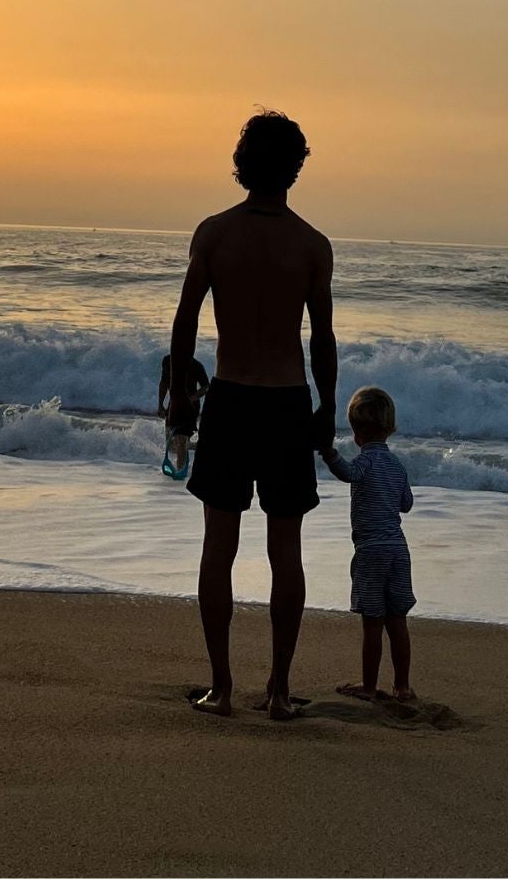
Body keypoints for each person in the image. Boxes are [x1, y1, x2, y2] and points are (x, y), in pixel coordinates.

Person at [168, 109, 336, 720]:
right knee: (284, 552)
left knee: (220, 547)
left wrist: (182, 392)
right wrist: (326, 407)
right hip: (287, 400)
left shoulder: (214, 235)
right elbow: (322, 338)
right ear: (295, 167)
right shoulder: (312, 245)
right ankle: (281, 692)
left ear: (242, 164)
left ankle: (222, 689)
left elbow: (186, 320)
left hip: (233, 399)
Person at [321, 386, 417, 703]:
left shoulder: (366, 462)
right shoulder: (397, 467)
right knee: (397, 621)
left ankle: (369, 686)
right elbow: (406, 504)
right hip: (398, 550)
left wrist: (328, 452)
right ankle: (402, 686)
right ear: (390, 427)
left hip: (371, 550)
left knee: (373, 623)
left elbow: (347, 473)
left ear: (357, 432)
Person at [156, 354, 211, 479]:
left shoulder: (196, 365)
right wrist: (160, 404)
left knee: (180, 440)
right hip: (173, 405)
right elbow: (164, 382)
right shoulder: (167, 361)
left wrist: (193, 398)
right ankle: (201, 447)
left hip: (190, 408)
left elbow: (205, 386)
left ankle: (180, 475)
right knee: (171, 446)